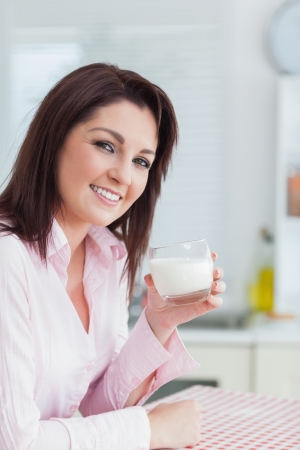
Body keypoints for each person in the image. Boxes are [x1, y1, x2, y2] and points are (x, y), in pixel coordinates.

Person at [0, 63, 226, 450]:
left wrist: (158, 323)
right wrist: (150, 430)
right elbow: (14, 442)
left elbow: (99, 407)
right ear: (53, 139)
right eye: (106, 146)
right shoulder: (8, 257)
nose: (124, 175)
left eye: (141, 161)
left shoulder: (108, 256)